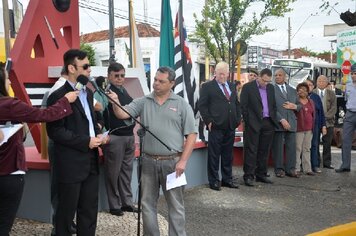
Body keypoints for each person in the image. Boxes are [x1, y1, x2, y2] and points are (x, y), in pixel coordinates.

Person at [108, 66, 197, 236]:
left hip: (173, 163)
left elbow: (191, 135)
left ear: (172, 83)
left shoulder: (181, 104)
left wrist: (183, 161)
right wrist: (115, 102)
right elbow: (122, 114)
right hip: (148, 161)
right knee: (147, 205)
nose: (156, 83)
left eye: (161, 81)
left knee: (176, 206)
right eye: (155, 79)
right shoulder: (144, 101)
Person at [0, 65, 78, 236]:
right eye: (6, 79)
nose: (9, 82)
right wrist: (65, 101)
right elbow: (44, 115)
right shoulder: (9, 105)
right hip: (9, 174)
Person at [46, 49, 108, 236]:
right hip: (70, 162)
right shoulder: (57, 95)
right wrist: (85, 141)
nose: (90, 70)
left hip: (91, 159)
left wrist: (99, 134)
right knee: (65, 214)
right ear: (71, 68)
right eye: (86, 66)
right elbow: (55, 131)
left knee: (89, 211)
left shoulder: (87, 93)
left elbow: (90, 121)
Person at [102, 62, 138, 216]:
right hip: (115, 137)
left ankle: (127, 203)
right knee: (113, 173)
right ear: (109, 76)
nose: (120, 78)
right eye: (116, 76)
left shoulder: (124, 91)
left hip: (129, 136)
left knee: (126, 172)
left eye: (122, 75)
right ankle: (114, 205)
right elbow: (99, 113)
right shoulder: (106, 92)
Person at [198, 61, 241, 191]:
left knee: (228, 155)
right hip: (216, 126)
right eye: (220, 74)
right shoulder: (207, 87)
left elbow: (236, 103)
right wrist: (209, 121)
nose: (222, 76)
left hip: (230, 125)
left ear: (228, 74)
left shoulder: (232, 86)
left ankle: (227, 179)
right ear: (215, 73)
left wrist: (237, 119)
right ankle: (214, 181)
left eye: (225, 74)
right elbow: (202, 106)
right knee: (214, 155)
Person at [240, 68, 278, 186]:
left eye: (268, 81)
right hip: (253, 122)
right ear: (259, 77)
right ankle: (249, 176)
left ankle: (261, 174)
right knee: (251, 150)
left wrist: (273, 118)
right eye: (264, 80)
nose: (266, 83)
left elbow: (273, 105)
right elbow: (243, 106)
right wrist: (248, 121)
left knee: (264, 150)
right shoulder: (248, 87)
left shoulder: (271, 88)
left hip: (268, 122)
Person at [272, 69, 300, 178]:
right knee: (278, 148)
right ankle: (279, 169)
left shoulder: (292, 90)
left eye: (280, 75)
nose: (277, 77)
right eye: (276, 75)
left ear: (285, 77)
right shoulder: (271, 89)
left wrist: (295, 107)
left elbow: (299, 105)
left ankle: (290, 169)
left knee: (291, 147)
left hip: (292, 123)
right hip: (279, 123)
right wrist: (281, 119)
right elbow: (271, 108)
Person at [336, 64, 356, 173]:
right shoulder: (348, 85)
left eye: (355, 74)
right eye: (352, 74)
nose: (353, 76)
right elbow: (345, 100)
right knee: (346, 140)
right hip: (350, 114)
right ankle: (345, 165)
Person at [315, 75, 337, 169]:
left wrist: (325, 117)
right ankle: (316, 161)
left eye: (323, 81)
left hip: (329, 122)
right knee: (315, 143)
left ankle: (327, 163)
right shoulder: (312, 93)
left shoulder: (331, 93)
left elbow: (334, 108)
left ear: (327, 83)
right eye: (319, 81)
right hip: (315, 122)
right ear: (316, 82)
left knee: (327, 143)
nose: (321, 82)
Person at [305, 79, 326, 173]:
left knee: (314, 145)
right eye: (306, 84)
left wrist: (323, 126)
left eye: (310, 85)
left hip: (315, 125)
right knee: (303, 146)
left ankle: (315, 165)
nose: (308, 86)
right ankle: (303, 165)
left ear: (313, 87)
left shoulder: (316, 97)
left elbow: (321, 112)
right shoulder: (299, 96)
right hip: (303, 125)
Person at [295, 82, 315, 176]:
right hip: (299, 128)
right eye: (299, 89)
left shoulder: (311, 102)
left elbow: (313, 114)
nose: (301, 91)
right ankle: (296, 168)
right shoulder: (295, 101)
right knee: (297, 148)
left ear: (307, 92)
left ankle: (307, 169)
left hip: (309, 129)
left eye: (303, 89)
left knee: (307, 148)